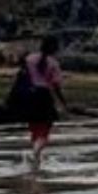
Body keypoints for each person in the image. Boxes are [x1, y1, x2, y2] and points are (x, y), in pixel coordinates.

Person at [14, 35, 66, 172]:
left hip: (28, 96)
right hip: (44, 96)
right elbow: (56, 85)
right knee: (45, 131)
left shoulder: (30, 58)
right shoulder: (53, 63)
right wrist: (62, 102)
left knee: (35, 128)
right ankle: (35, 153)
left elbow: (21, 73)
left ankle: (35, 160)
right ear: (54, 48)